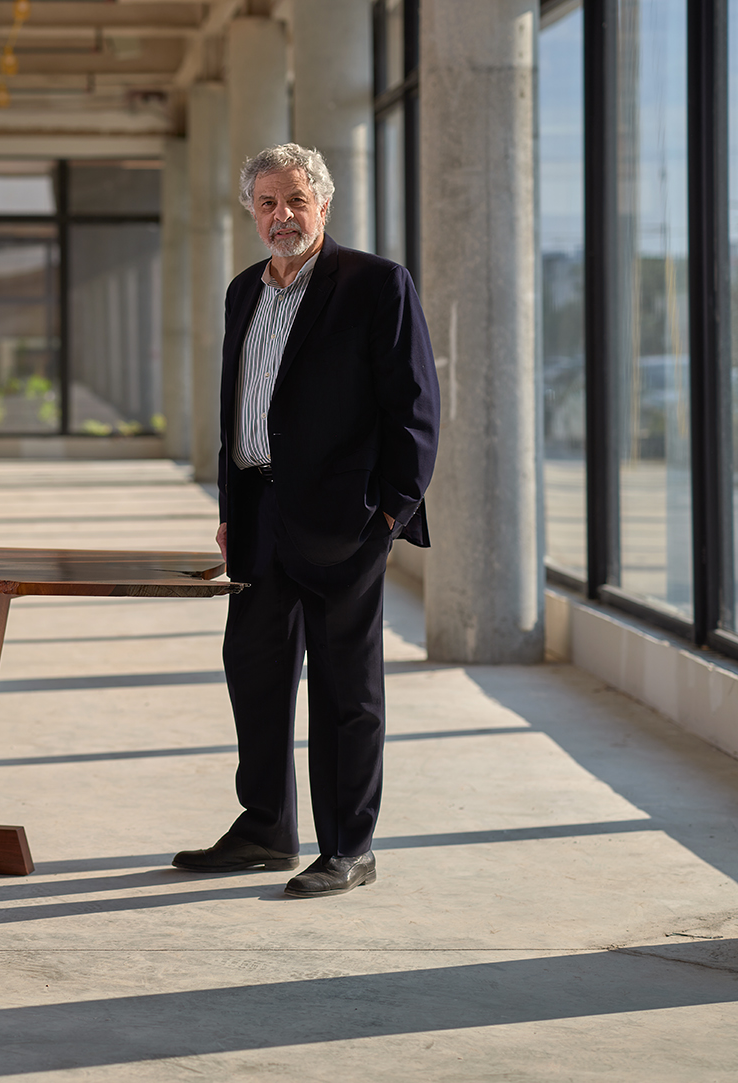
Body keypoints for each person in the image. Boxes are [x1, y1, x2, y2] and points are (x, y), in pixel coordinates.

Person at [172, 143, 440, 898]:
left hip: (345, 519)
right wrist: (230, 509)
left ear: (324, 204)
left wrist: (390, 513)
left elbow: (414, 411)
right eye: (266, 203)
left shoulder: (376, 284)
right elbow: (237, 414)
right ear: (251, 213)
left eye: (295, 200)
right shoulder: (242, 293)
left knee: (344, 689)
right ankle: (263, 827)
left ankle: (349, 845)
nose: (281, 216)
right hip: (258, 511)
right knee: (253, 672)